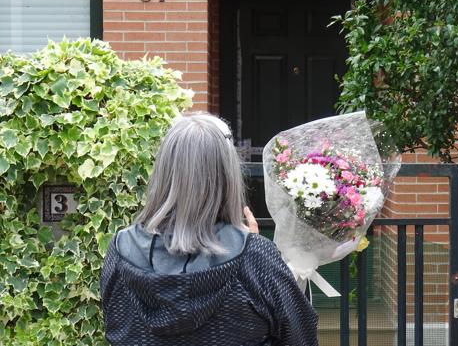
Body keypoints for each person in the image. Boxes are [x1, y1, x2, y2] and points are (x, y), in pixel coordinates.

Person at [100, 113, 318, 346]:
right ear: (227, 176)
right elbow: (300, 337)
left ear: (163, 171)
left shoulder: (121, 252)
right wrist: (251, 253)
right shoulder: (256, 258)